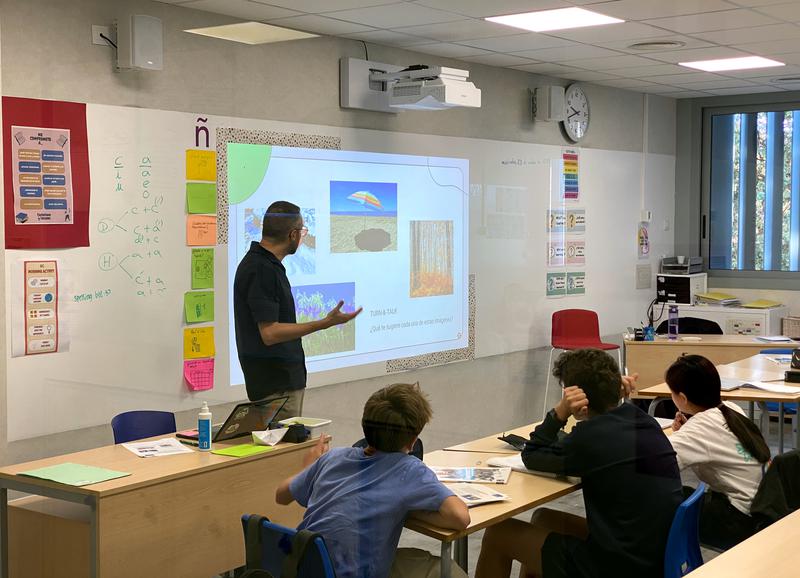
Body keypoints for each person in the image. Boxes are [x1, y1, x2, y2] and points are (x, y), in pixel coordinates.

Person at [475, 349, 682, 578]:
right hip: (654, 554)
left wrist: (560, 413)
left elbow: (531, 456)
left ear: (575, 395)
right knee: (543, 518)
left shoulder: (591, 438)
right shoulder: (641, 418)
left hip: (619, 568)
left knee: (498, 533)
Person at [275, 382, 470, 578]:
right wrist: (407, 511)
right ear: (413, 441)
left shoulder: (332, 457)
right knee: (449, 571)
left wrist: (310, 467)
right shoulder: (409, 470)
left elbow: (281, 495)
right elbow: (460, 517)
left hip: (303, 567)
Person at [233, 201, 361, 419]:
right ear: (293, 234)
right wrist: (325, 323)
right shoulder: (261, 269)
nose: (302, 236)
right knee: (284, 451)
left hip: (277, 384)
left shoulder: (264, 265)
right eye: (302, 231)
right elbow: (270, 333)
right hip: (276, 387)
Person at [665, 354, 771, 550]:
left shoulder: (700, 427)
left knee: (662, 500)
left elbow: (656, 460)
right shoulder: (731, 408)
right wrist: (686, 432)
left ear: (683, 398)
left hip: (741, 521)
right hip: (765, 508)